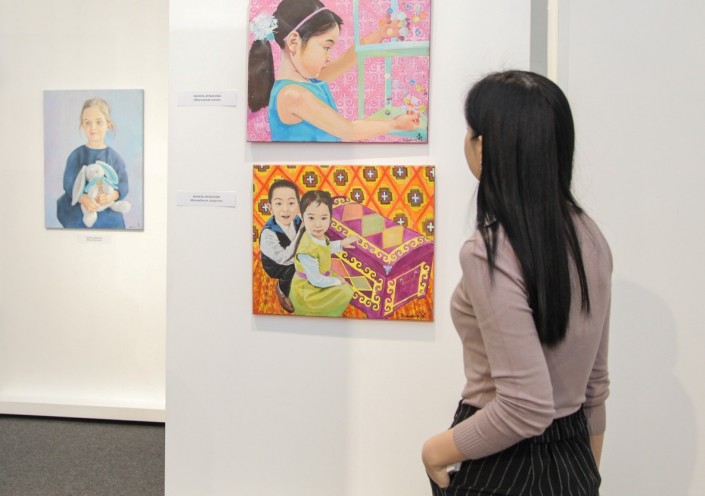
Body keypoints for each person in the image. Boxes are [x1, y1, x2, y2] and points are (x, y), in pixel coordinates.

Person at [422, 71, 612, 495]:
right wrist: (586, 476)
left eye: (470, 130)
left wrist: (434, 450)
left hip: (501, 465)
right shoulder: (591, 237)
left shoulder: (489, 252)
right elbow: (594, 387)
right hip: (574, 457)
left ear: (484, 146)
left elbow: (525, 406)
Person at [247, 0, 420, 141]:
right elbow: (350, 131)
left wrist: (379, 34)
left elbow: (346, 59)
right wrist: (395, 123)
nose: (329, 57)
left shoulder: (307, 82)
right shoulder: (293, 95)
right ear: (294, 42)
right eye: (326, 47)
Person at [56, 98, 129, 229]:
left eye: (98, 122)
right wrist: (83, 198)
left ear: (108, 125)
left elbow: (123, 183)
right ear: (82, 125)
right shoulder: (76, 155)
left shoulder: (114, 157)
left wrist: (112, 195)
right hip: (80, 211)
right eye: (87, 122)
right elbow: (68, 183)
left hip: (107, 211)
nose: (93, 127)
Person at [289, 190, 359, 316]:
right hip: (308, 289)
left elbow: (323, 249)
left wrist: (341, 244)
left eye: (323, 218)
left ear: (330, 218)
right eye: (311, 218)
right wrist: (337, 281)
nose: (318, 224)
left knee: (344, 287)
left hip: (319, 277)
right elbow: (316, 281)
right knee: (346, 291)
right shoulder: (306, 250)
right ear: (302, 218)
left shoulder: (317, 236)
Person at [259, 179, 303, 313]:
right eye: (278, 203)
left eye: (291, 203)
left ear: (298, 205)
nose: (285, 209)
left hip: (294, 255)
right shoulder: (268, 233)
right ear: (270, 207)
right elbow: (283, 259)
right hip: (276, 265)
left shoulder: (298, 219)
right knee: (296, 264)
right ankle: (282, 289)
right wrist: (301, 232)